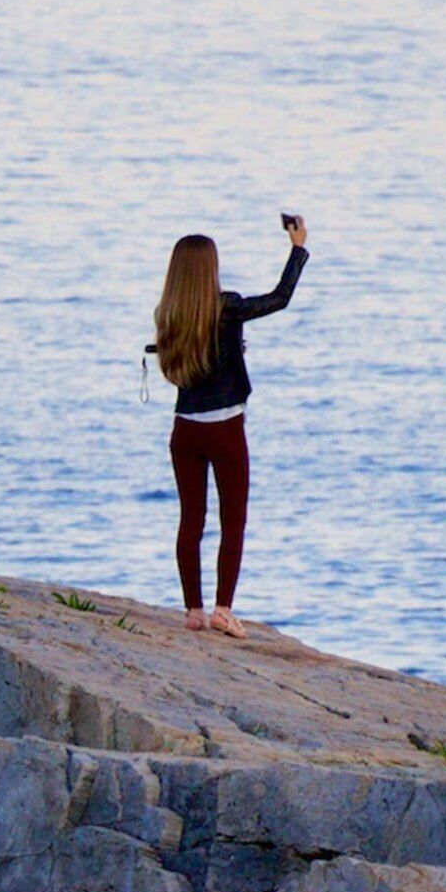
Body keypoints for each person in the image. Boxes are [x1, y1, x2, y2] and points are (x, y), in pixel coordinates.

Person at [148, 216, 307, 636]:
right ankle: (223, 609)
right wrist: (298, 248)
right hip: (225, 429)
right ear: (209, 269)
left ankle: (193, 611)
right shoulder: (227, 306)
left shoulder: (168, 313)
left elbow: (186, 362)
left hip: (184, 431)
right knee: (232, 520)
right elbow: (279, 298)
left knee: (191, 521)